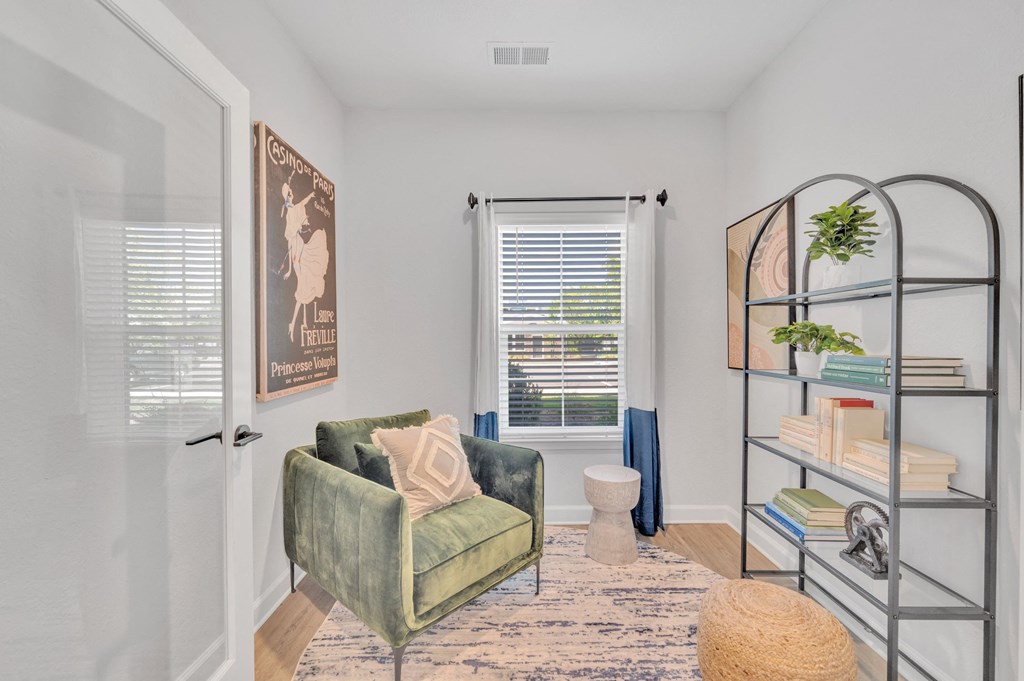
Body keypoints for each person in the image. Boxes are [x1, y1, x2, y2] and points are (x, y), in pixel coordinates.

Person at [280, 172, 329, 342]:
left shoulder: (295, 209)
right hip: (297, 255)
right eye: (289, 195)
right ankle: (293, 323)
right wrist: (289, 269)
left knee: (306, 284)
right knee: (302, 290)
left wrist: (310, 195)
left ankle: (304, 322)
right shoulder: (289, 215)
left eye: (291, 194)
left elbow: (303, 203)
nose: (291, 197)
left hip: (301, 250)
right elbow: (290, 243)